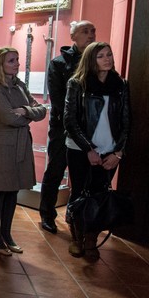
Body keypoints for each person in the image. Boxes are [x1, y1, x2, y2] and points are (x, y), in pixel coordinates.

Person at [64, 42, 130, 260]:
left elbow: (127, 121)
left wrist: (118, 153)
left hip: (110, 151)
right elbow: (70, 120)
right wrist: (88, 149)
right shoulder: (77, 84)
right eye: (101, 56)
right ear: (91, 60)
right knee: (79, 193)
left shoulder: (120, 85)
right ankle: (77, 238)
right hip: (80, 150)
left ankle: (91, 241)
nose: (107, 59)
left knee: (100, 196)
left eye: (109, 54)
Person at [0, 48, 47, 256]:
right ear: (0, 65)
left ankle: (6, 234)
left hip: (20, 143)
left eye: (17, 60)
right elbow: (10, 118)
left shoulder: (19, 84)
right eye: (12, 60)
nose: (17, 64)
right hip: (2, 144)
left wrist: (26, 111)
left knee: (12, 191)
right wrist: (28, 114)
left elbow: (42, 109)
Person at [39, 20, 96, 234]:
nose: (90, 35)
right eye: (85, 31)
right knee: (55, 170)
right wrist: (69, 125)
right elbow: (58, 99)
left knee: (83, 176)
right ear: (73, 36)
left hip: (90, 128)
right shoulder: (59, 63)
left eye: (92, 31)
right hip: (63, 127)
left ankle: (75, 214)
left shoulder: (96, 61)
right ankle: (47, 214)